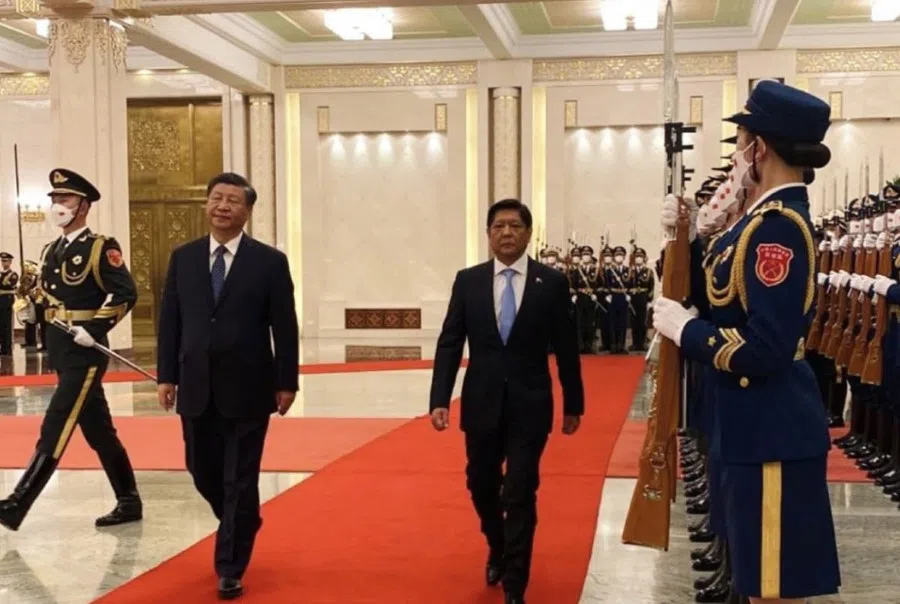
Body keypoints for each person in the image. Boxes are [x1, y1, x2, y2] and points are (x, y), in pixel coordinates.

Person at [652, 80, 841, 603]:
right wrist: (687, 238)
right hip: (750, 427)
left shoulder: (778, 228)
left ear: (760, 148)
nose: (737, 157)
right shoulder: (756, 223)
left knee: (773, 591)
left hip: (771, 432)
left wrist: (686, 330)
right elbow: (719, 296)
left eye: (741, 144)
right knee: (758, 582)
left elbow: (765, 348)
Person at [428, 198, 584, 604]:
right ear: (488, 234)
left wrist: (574, 403)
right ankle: (497, 546)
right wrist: (440, 397)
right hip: (481, 402)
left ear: (528, 234)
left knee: (520, 490)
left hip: (530, 405)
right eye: (499, 226)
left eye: (515, 226)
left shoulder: (551, 283)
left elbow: (567, 346)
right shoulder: (468, 281)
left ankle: (516, 582)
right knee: (481, 483)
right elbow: (450, 341)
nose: (507, 233)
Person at [156, 172, 299, 601]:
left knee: (240, 478)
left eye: (233, 201)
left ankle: (230, 566)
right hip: (196, 384)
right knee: (201, 469)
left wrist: (286, 381)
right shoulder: (183, 258)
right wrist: (166, 375)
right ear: (206, 205)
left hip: (249, 387)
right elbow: (171, 322)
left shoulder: (269, 262)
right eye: (216, 198)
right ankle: (244, 520)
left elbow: (284, 326)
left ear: (247, 211)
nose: (223, 206)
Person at [0, 169, 142, 531]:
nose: (57, 205)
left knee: (58, 419)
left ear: (83, 206)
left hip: (86, 352)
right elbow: (49, 298)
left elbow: (126, 293)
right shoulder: (51, 250)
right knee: (99, 430)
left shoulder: (100, 247)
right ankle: (129, 501)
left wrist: (94, 328)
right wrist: (32, 312)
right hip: (61, 349)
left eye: (64, 199)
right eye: (54, 199)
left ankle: (18, 502)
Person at [0, 252, 17, 356]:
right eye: (2, 261)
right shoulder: (1, 274)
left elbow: (8, 285)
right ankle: (2, 347)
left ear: (10, 262)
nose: (3, 263)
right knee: (1, 324)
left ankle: (7, 348)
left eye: (5, 261)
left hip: (7, 299)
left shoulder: (13, 275)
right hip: (1, 299)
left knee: (7, 324)